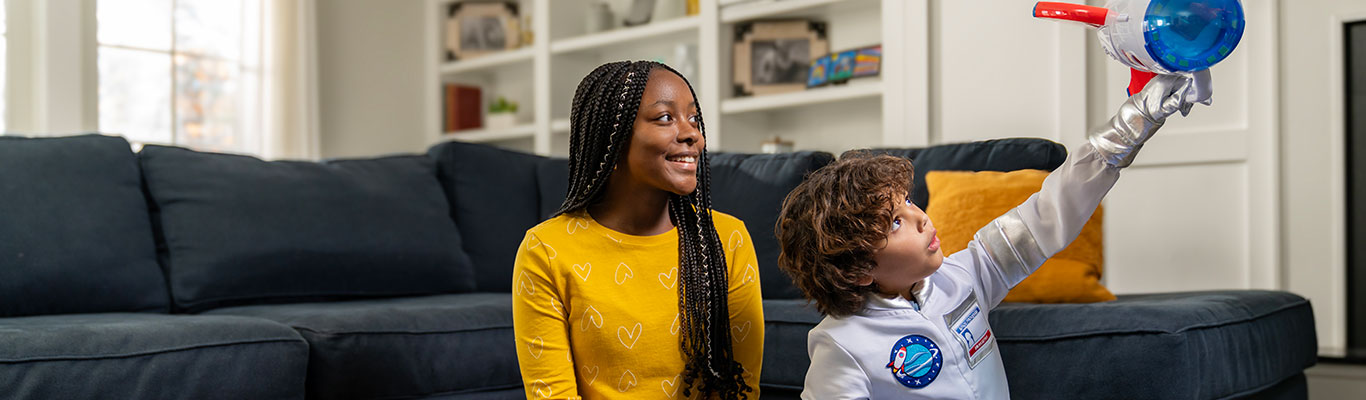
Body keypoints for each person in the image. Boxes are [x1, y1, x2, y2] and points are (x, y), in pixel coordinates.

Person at [774, 74, 1206, 399]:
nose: (921, 217)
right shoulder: (842, 342)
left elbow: (1046, 214)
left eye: (908, 202)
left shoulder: (964, 276)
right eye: (894, 223)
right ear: (860, 269)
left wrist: (1130, 127)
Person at [512, 60, 763, 400]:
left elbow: (741, 388)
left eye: (694, 119)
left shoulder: (726, 238)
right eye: (664, 118)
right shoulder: (545, 250)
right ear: (611, 139)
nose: (693, 134)